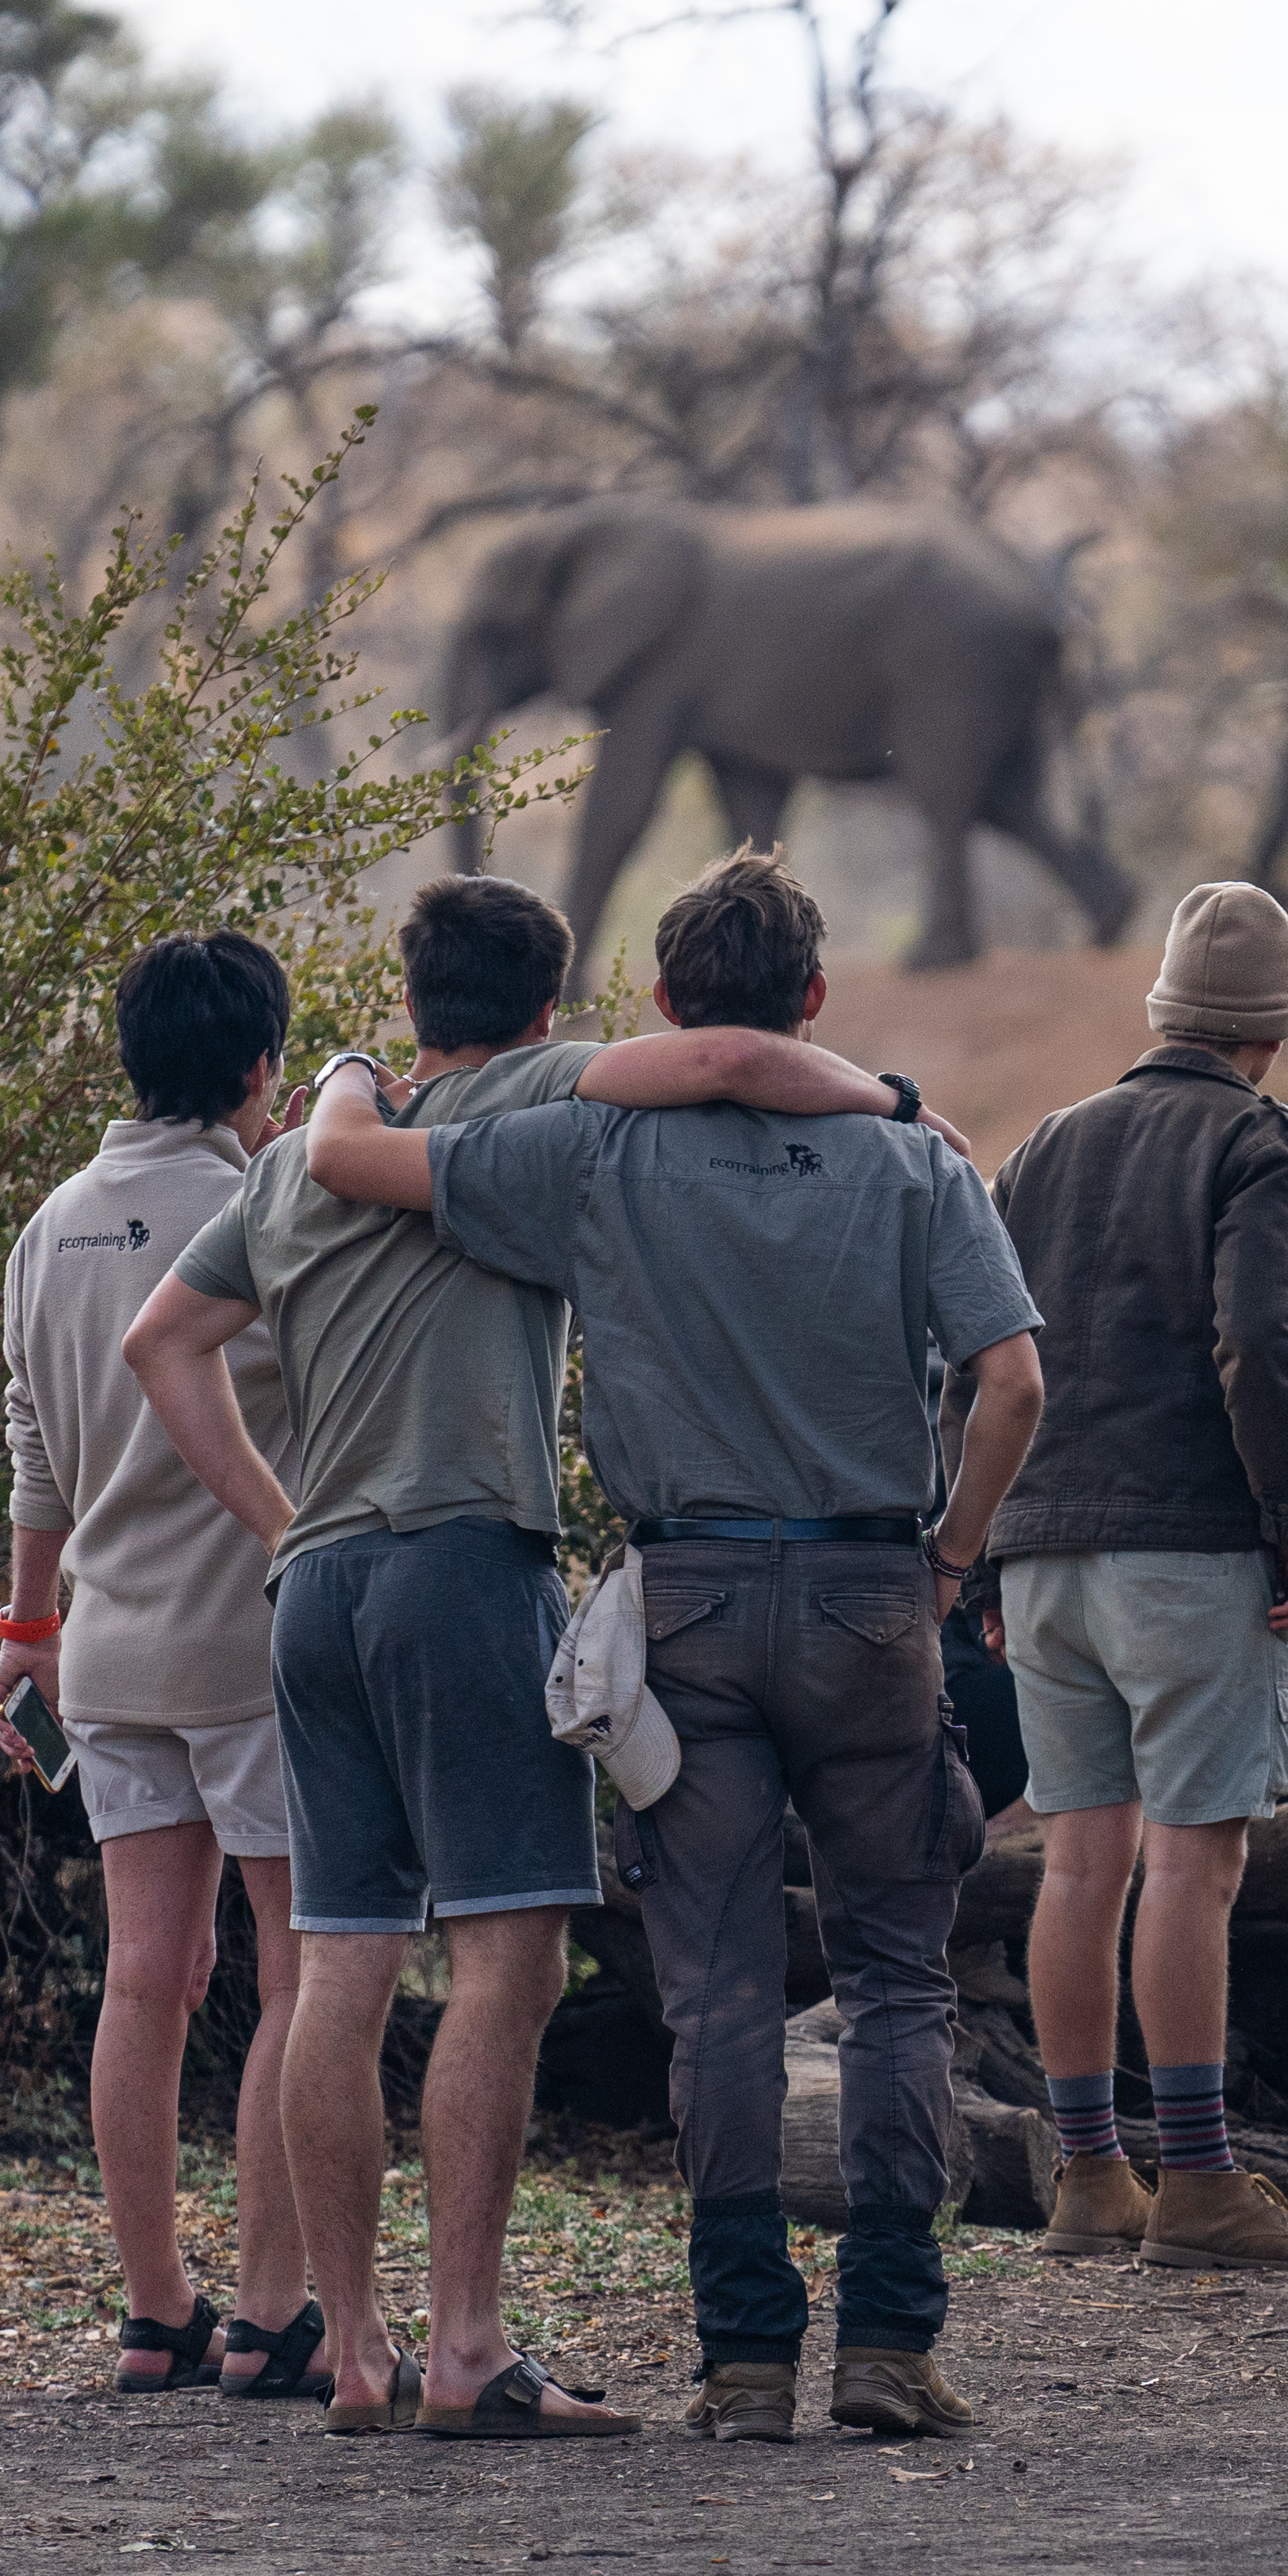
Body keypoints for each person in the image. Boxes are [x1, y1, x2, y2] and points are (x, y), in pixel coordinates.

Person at [122, 872, 930, 2441]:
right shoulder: (548, 1102)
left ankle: (351, 2351)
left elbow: (162, 1342)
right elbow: (721, 1063)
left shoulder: (297, 1161)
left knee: (342, 1960)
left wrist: (282, 1519)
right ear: (551, 1009)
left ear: (412, 997)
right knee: (512, 1953)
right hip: (464, 1564)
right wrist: (894, 1097)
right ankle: (470, 2348)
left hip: (320, 1592)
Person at [304, 852, 1047, 2440]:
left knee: (713, 1994)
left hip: (686, 1606)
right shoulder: (917, 1165)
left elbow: (357, 1176)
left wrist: (345, 1077)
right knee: (900, 1978)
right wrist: (952, 1559)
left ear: (653, 1002)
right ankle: (893, 2341)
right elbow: (1017, 1382)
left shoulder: (586, 1148)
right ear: (817, 1003)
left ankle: (744, 2355)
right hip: (870, 1597)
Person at [976, 882, 1288, 2275]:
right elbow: (1264, 1349)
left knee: (1080, 1862)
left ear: (1163, 1007)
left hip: (1040, 1551)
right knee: (1194, 1871)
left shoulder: (1046, 1144)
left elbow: (977, 1350)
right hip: (1188, 1549)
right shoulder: (1260, 1145)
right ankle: (1199, 2181)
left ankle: (1091, 2175)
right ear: (1277, 1023)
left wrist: (976, 1539)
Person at [0, 931, 316, 2398]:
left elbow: (33, 1449)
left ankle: (154, 2312)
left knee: (148, 1979)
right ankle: (269, 2312)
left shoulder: (51, 1222)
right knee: (299, 1972)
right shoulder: (268, 1207)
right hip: (254, 1641)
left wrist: (24, 1631)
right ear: (260, 1066)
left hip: (104, 1656)